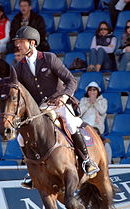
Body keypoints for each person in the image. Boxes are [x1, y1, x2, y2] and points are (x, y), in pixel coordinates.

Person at [12, 26, 99, 188]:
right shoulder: (20, 66)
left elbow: (71, 80)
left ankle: (86, 161)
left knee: (70, 124)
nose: (18, 45)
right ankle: (32, 170)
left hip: (58, 102)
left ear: (32, 43)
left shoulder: (49, 58)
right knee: (20, 137)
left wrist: (64, 96)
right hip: (38, 110)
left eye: (21, 42)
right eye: (17, 42)